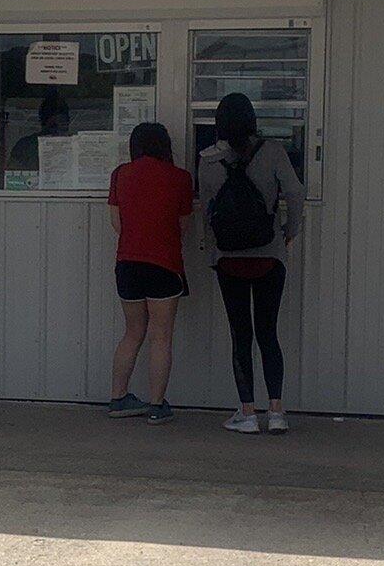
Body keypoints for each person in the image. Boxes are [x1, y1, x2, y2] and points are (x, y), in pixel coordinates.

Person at [197, 92, 306, 434]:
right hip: (269, 254)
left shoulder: (209, 160)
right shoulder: (272, 151)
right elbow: (295, 192)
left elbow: (207, 210)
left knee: (240, 335)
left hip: (229, 259)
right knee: (268, 333)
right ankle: (276, 412)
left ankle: (247, 413)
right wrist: (289, 230)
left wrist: (212, 248)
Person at [105, 121, 192, 421]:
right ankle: (156, 406)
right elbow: (183, 227)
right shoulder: (180, 178)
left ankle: (118, 398)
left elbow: (117, 224)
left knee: (132, 332)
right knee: (161, 336)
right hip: (164, 264)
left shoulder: (120, 175)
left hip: (127, 264)